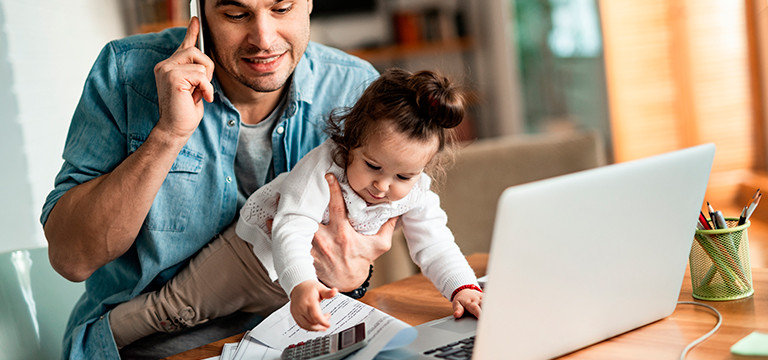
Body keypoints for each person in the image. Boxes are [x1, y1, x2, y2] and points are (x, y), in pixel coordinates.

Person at [40, 1, 393, 358]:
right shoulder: (126, 72)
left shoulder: (355, 86)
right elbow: (72, 259)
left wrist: (355, 278)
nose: (263, 39)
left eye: (282, 8)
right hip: (153, 348)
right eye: (236, 15)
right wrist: (167, 136)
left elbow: (366, 244)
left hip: (300, 340)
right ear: (199, 11)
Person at [108, 68, 483, 347]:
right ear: (351, 141)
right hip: (249, 258)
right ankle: (99, 340)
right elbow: (292, 226)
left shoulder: (416, 192)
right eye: (372, 167)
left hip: (300, 288)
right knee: (173, 311)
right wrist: (302, 284)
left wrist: (462, 289)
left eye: (404, 176)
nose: (383, 187)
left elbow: (435, 243)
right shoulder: (325, 166)